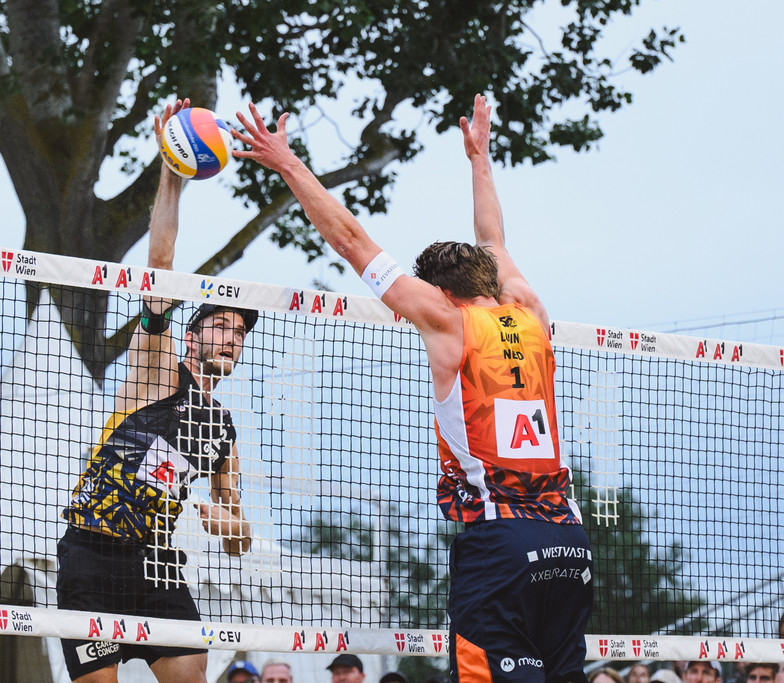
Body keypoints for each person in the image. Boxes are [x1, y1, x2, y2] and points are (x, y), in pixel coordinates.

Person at [233, 94, 593, 683]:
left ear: (440, 294)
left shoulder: (449, 321)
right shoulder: (529, 309)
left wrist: (287, 162)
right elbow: (495, 239)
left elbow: (351, 241)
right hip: (570, 542)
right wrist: (480, 160)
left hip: (502, 541)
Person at [56, 97, 256, 683]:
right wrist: (172, 172)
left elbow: (240, 538)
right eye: (221, 325)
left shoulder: (221, 431)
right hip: (93, 551)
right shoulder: (158, 368)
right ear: (191, 336)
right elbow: (160, 264)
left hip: (158, 564)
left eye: (240, 333)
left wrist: (229, 527)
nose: (232, 337)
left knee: (192, 672)